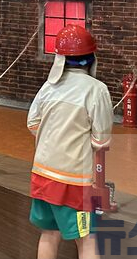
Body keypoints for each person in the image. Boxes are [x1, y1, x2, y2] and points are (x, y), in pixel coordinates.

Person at [27, 25, 113, 259]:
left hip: (42, 175)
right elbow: (101, 139)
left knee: (49, 234)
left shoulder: (48, 86)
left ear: (60, 59)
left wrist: (54, 137)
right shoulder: (97, 90)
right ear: (91, 58)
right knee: (86, 238)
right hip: (75, 183)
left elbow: (32, 123)